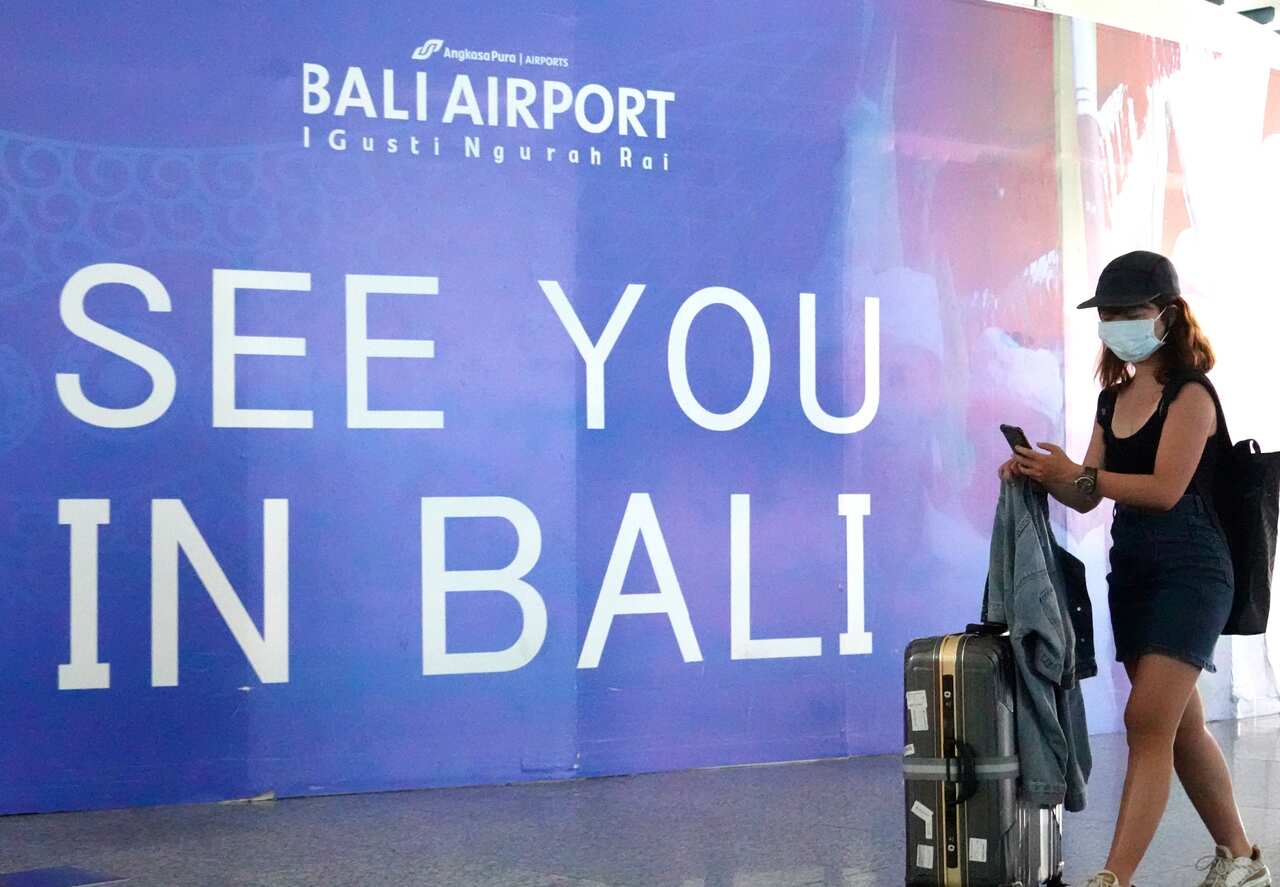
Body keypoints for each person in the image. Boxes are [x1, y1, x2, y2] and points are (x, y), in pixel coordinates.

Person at [996, 251, 1272, 887]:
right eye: (1109, 314)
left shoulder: (1192, 394)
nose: (1117, 323)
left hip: (1193, 571)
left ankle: (1114, 876)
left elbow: (1165, 489)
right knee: (1182, 726)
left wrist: (1079, 474)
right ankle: (1241, 859)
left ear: (1168, 316)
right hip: (1134, 572)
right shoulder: (1110, 399)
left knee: (1145, 723)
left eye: (1130, 312)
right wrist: (1040, 473)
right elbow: (1086, 495)